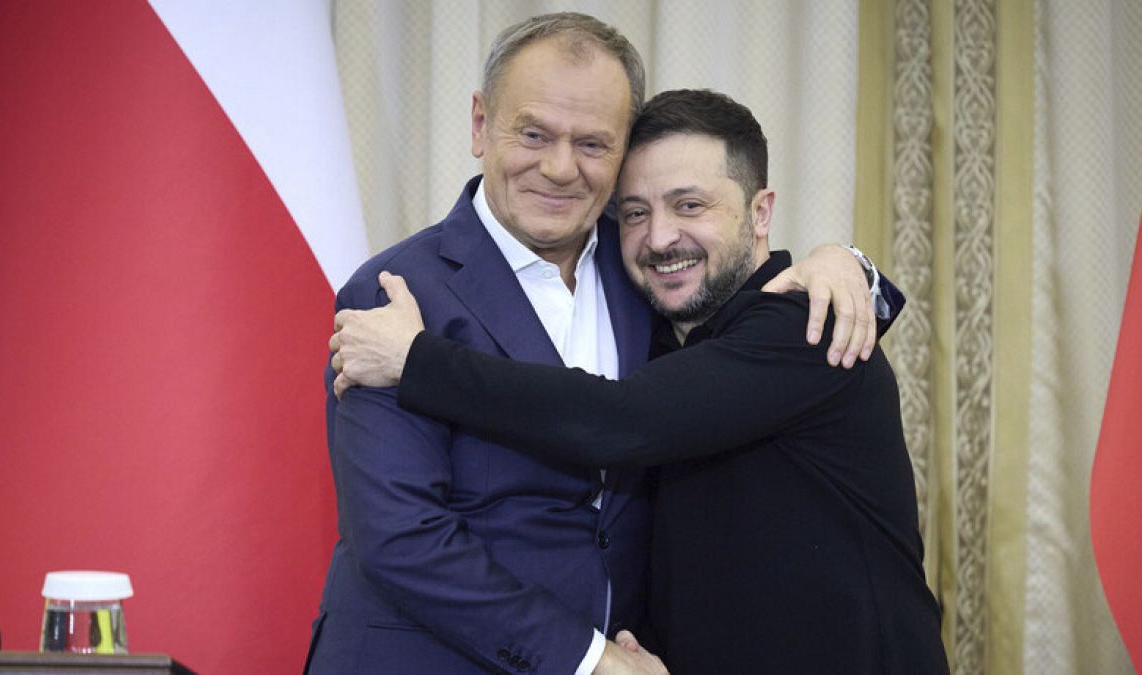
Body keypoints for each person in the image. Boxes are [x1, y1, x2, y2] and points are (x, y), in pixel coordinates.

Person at [309, 13, 889, 674]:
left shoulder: (647, 269)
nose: (559, 168)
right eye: (533, 133)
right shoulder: (393, 294)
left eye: (592, 143)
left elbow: (634, 415)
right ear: (479, 124)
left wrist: (847, 263)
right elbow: (401, 538)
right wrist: (588, 659)